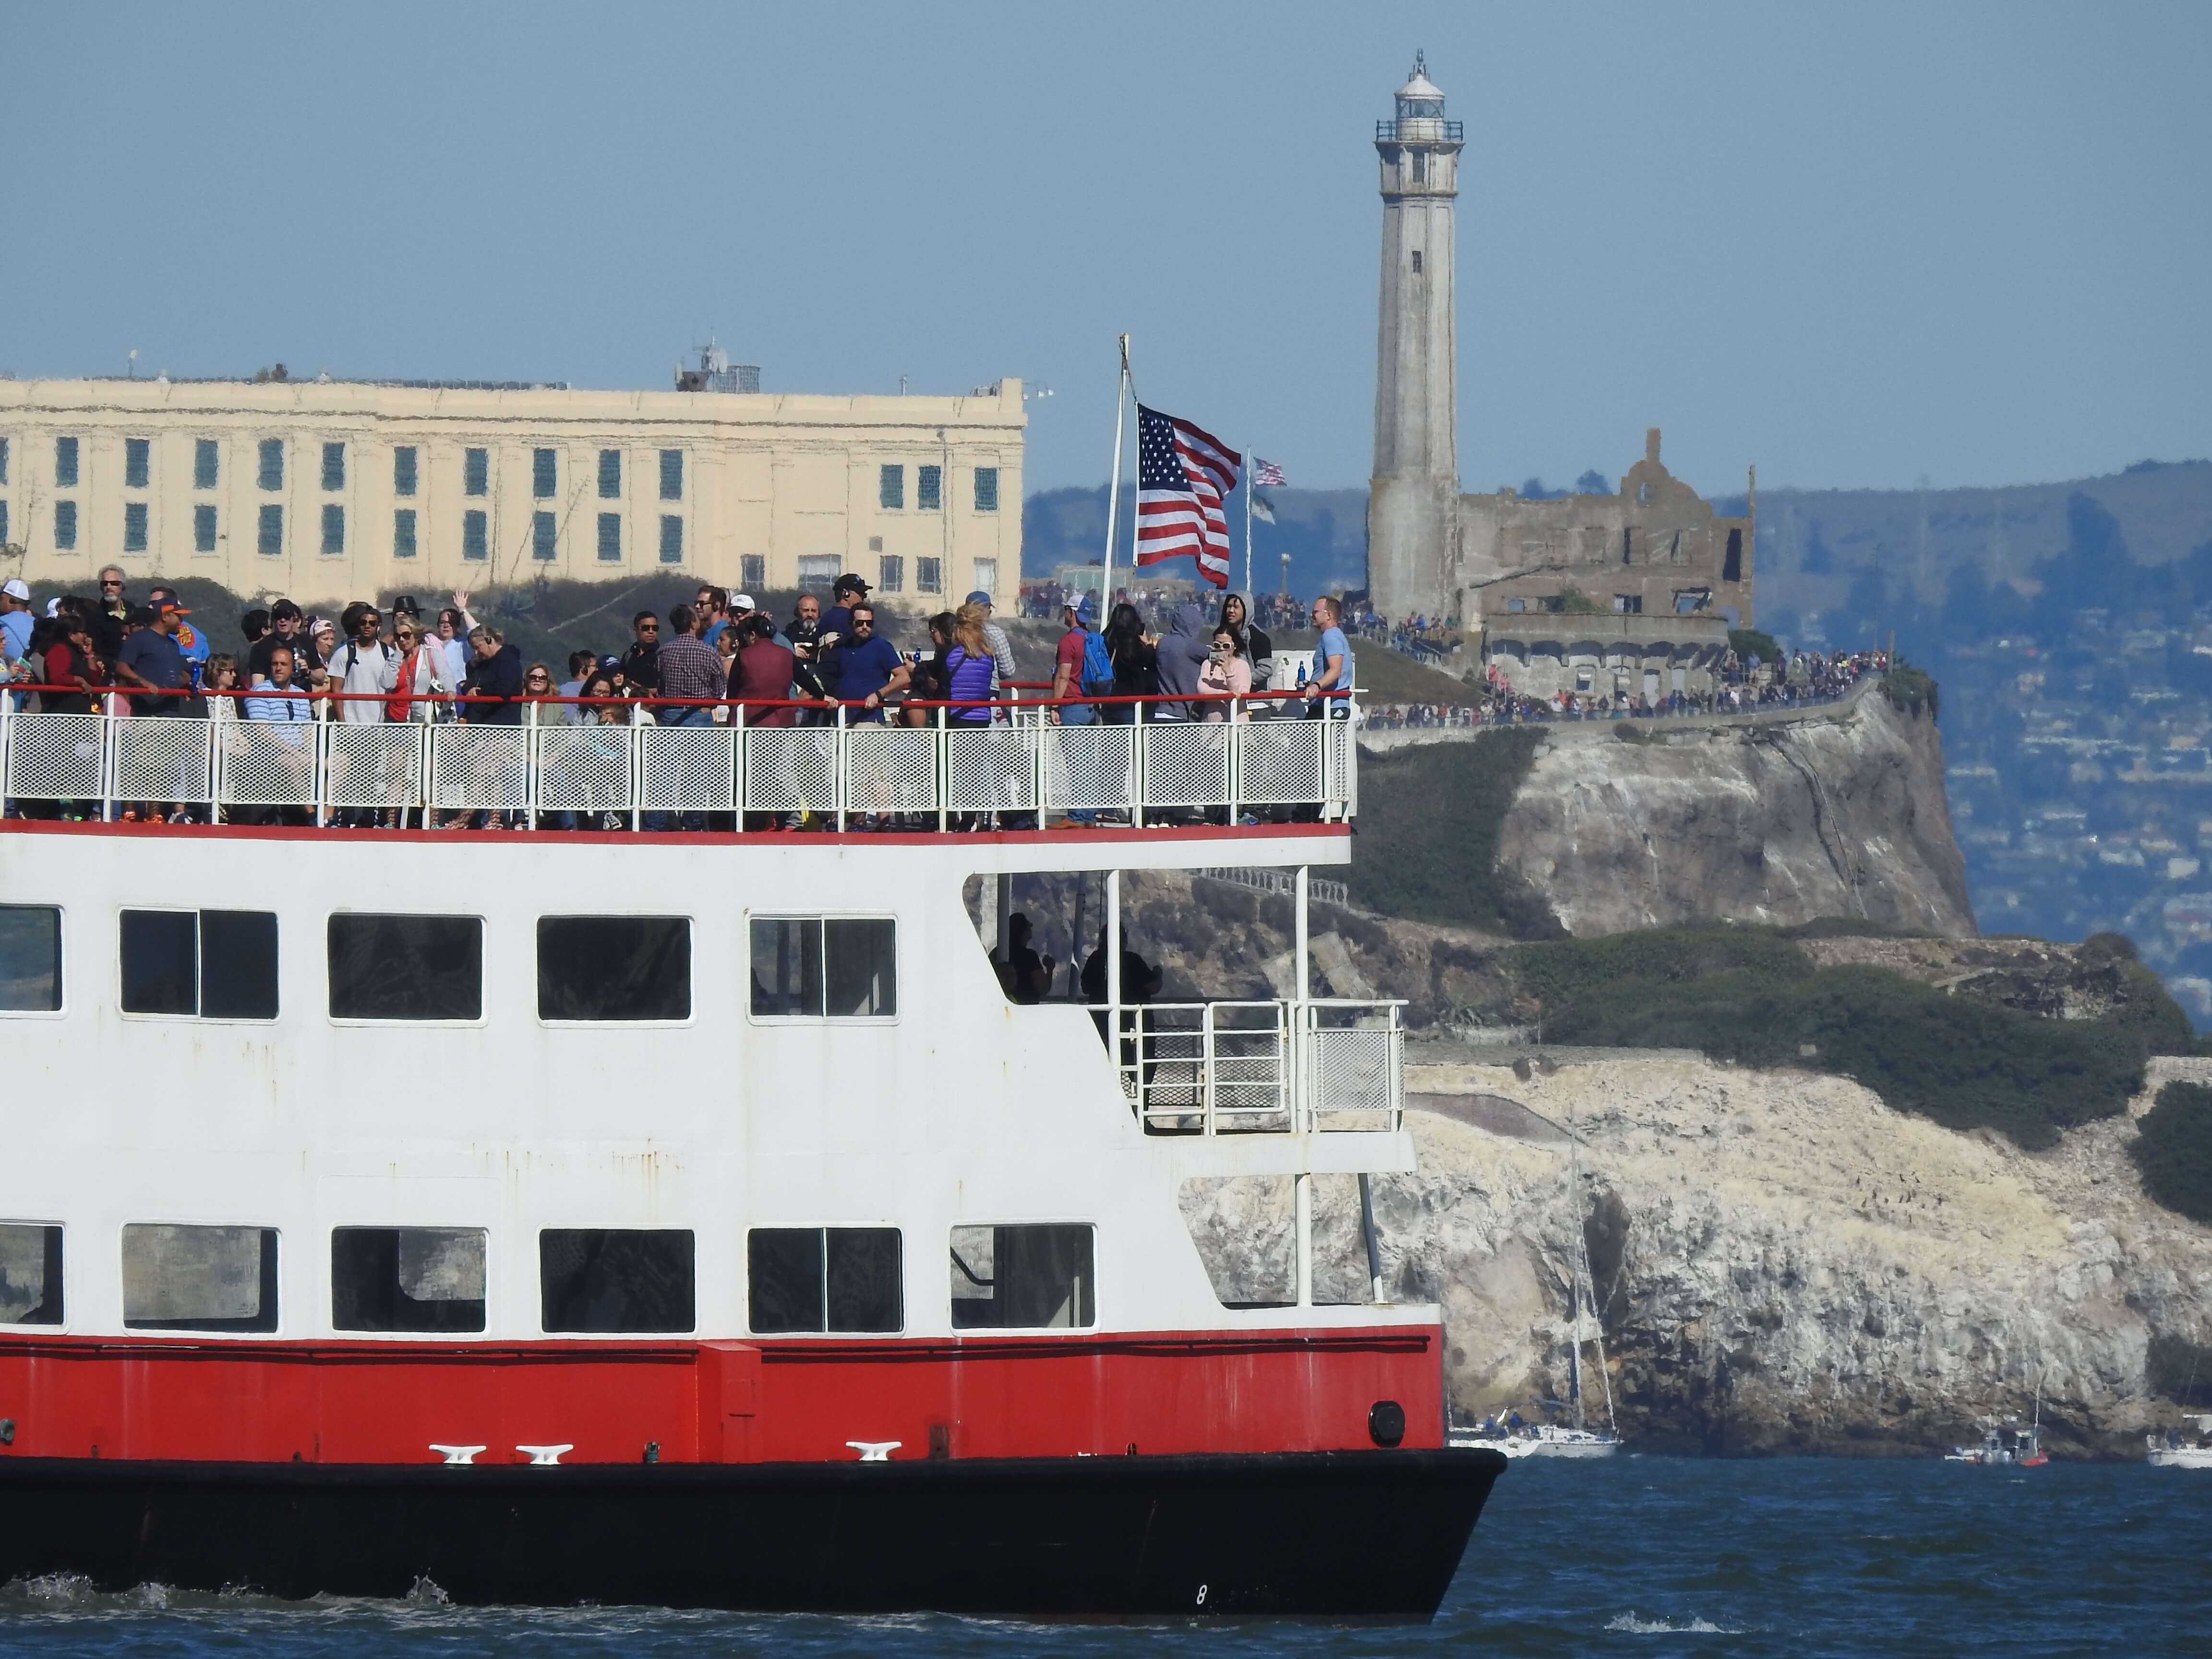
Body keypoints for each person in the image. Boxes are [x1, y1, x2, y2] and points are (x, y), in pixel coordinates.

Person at [822, 602, 905, 719]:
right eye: (860, 623)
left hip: (870, 718)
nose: (865, 627)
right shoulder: (842, 646)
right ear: (851, 624)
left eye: (869, 623)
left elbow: (903, 677)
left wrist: (878, 695)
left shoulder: (882, 646)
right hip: (841, 716)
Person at [325, 601, 398, 725]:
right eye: (363, 623)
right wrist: (343, 724)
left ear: (378, 626)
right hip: (351, 725)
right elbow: (336, 690)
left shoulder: (388, 653)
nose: (367, 626)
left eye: (372, 623)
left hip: (379, 726)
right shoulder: (343, 653)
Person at [1151, 603, 1212, 721]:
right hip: (1183, 714)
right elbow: (1216, 656)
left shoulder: (1162, 643)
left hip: (1161, 712)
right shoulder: (1190, 645)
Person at [1050, 593, 1101, 726]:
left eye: (1066, 609)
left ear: (1072, 612)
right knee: (1090, 747)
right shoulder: (1093, 639)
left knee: (1072, 747)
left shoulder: (1068, 642)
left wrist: (1054, 707)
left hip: (1073, 706)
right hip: (1093, 706)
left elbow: (1063, 677)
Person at [247, 600, 320, 684]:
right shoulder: (260, 648)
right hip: (274, 696)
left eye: (287, 616)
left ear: (294, 619)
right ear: (273, 620)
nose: (283, 620)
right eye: (278, 616)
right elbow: (257, 685)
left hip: (302, 696)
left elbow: (321, 678)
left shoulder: (306, 643)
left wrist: (308, 672)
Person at [1306, 595, 1355, 718]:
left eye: (1315, 612)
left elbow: (1335, 670)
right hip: (1329, 705)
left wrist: (1316, 686)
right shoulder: (1336, 635)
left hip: (1329, 707)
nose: (1311, 616)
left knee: (1306, 737)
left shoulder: (1331, 636)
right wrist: (1310, 685)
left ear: (1329, 615)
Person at [1220, 592, 1272, 698]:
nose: (1231, 611)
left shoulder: (1258, 637)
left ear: (1246, 610)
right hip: (1228, 697)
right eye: (1229, 607)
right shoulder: (1224, 635)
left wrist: (1244, 679)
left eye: (1236, 607)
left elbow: (1266, 669)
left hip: (1256, 701)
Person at [997, 913, 1056, 1005]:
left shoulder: (996, 954)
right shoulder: (1029, 957)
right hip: (1027, 1010)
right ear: (1024, 932)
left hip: (1000, 1006)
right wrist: (1050, 968)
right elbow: (1043, 988)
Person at [963, 589, 1020, 685]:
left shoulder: (957, 631)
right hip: (988, 689)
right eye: (989, 608)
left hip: (958, 690)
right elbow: (1008, 671)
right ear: (985, 609)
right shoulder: (996, 633)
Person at [1198, 624, 1251, 719]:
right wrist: (1227, 694)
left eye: (1226, 646)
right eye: (1217, 645)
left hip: (1237, 721)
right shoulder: (1207, 664)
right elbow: (1202, 690)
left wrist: (1228, 672)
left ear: (1235, 646)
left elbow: (1241, 693)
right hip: (1211, 724)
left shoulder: (1242, 665)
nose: (1221, 649)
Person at [619, 609, 662, 694]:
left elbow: (667, 688)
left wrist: (642, 691)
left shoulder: (662, 655)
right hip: (629, 704)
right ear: (636, 631)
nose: (651, 632)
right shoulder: (628, 655)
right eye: (646, 628)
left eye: (655, 628)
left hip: (652, 704)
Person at [822, 573, 871, 644]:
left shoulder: (826, 617)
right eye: (861, 593)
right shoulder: (851, 619)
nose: (863, 598)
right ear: (846, 594)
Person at [555, 649, 597, 724]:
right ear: (584, 670)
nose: (598, 669)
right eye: (595, 666)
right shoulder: (594, 690)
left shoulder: (560, 690)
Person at [0, 578, 33, 665]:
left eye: (1, 599)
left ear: (10, 602)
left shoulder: (2, 623)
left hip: (8, 676)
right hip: (33, 676)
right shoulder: (38, 624)